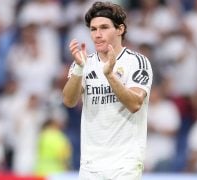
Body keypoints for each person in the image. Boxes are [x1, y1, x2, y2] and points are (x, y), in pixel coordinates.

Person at [62, 1, 153, 179]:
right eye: (93, 29)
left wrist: (110, 75)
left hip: (124, 164)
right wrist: (80, 69)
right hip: (90, 165)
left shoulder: (136, 62)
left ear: (120, 29)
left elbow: (135, 103)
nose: (97, 34)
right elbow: (69, 101)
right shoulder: (83, 62)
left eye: (104, 27)